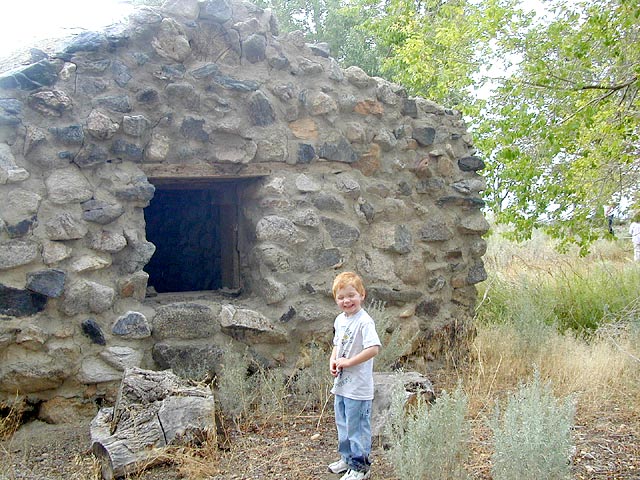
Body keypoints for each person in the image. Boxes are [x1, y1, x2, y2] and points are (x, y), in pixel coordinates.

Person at [328, 272, 381, 480]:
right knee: (343, 422)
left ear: (362, 295)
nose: (346, 301)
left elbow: (373, 348)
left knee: (357, 426)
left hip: (358, 387)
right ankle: (347, 459)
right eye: (341, 297)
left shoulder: (364, 322)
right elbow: (336, 345)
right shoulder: (340, 320)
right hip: (342, 385)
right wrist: (333, 361)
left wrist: (349, 362)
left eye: (351, 295)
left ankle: (360, 467)